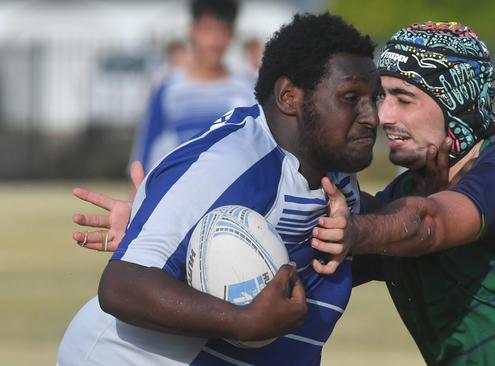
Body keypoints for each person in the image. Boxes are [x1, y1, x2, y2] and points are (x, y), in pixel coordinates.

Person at [59, 12, 380, 366]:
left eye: (373, 98)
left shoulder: (334, 175)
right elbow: (121, 285)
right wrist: (242, 321)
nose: (371, 117)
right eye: (351, 97)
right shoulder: (232, 161)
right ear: (289, 97)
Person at [312, 22, 495, 365]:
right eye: (381, 96)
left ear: (458, 107)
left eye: (404, 99)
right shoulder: (405, 193)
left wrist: (355, 231)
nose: (383, 116)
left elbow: (428, 222)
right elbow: (330, 262)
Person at [132, 0, 256, 173]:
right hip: (176, 195)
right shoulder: (169, 89)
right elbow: (145, 155)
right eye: (208, 29)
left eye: (224, 30)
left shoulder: (249, 88)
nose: (215, 40)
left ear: (232, 34)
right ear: (192, 30)